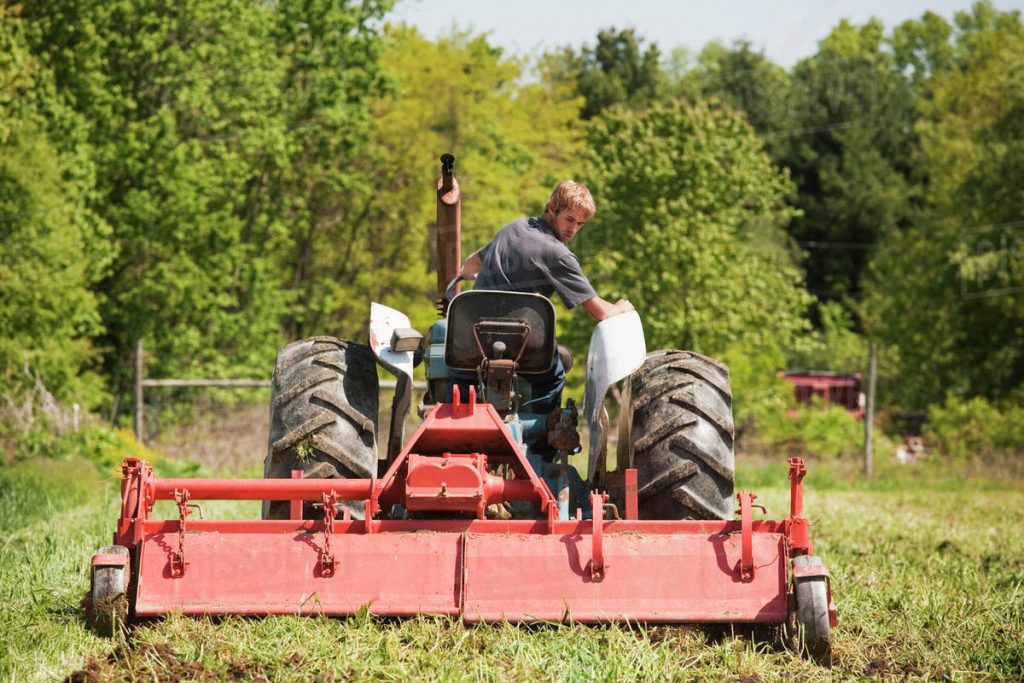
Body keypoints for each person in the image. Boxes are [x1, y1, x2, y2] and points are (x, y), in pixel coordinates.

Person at [452, 180, 633, 413]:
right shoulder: (558, 254)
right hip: (520, 346)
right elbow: (602, 312)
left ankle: (454, 410)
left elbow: (472, 263)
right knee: (555, 374)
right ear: (551, 209)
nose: (573, 229)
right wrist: (622, 307)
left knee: (455, 372)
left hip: (472, 339)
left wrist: (466, 276)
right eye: (569, 219)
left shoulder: (512, 227)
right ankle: (541, 440)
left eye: (580, 224)